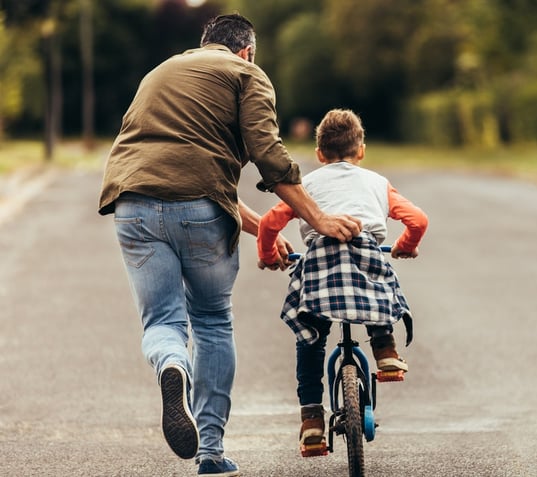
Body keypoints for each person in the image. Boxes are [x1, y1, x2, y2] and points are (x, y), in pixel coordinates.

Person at [97, 14, 362, 476]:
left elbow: (191, 174)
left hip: (132, 204)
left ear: (204, 45)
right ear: (248, 51)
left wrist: (266, 231)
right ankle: (210, 452)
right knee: (212, 320)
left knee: (162, 321)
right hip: (200, 210)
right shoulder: (246, 74)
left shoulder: (160, 73)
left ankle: (172, 366)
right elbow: (267, 154)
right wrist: (318, 218)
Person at [256, 109, 428, 456]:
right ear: (360, 150)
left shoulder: (305, 188)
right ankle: (386, 351)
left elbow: (269, 223)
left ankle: (312, 423)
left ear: (320, 154)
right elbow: (418, 220)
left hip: (320, 266)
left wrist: (268, 253)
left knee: (311, 339)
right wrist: (405, 246)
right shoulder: (378, 183)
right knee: (379, 283)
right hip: (365, 258)